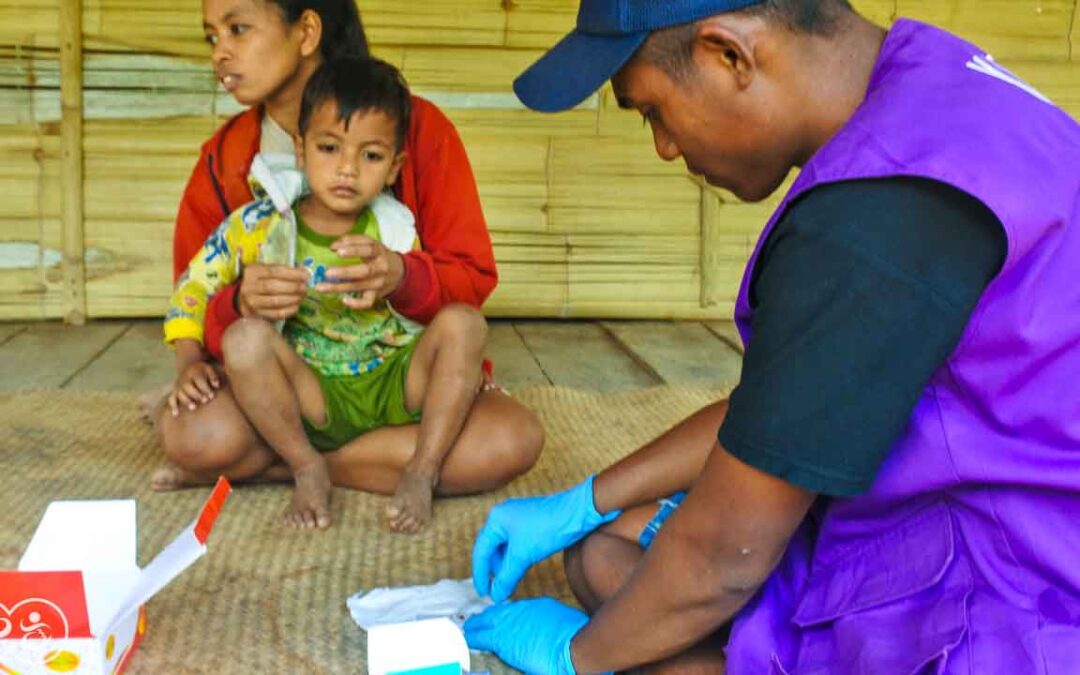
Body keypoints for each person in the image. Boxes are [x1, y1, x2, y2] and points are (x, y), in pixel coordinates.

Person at [466, 0, 1080, 673]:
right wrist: (580, 501)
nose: (664, 146)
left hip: (1023, 583)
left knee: (641, 592)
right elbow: (788, 407)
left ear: (729, 54)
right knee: (605, 543)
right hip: (1020, 499)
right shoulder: (936, 80)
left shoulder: (872, 218)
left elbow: (722, 557)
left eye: (652, 111)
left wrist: (574, 654)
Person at [153, 0, 543, 532]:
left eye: (238, 29)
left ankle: (280, 466)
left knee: (510, 439)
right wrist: (240, 304)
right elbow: (195, 289)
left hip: (397, 381)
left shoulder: (416, 129)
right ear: (299, 147)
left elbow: (470, 278)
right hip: (289, 388)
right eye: (211, 36)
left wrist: (404, 277)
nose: (221, 52)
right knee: (193, 436)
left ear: (306, 30)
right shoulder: (225, 160)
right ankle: (329, 459)